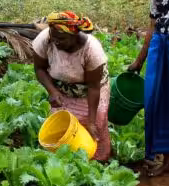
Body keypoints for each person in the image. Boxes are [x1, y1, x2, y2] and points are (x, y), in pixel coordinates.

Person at [32, 11, 111, 161]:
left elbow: (93, 87)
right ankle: (65, 163)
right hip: (62, 90)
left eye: (61, 38)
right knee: (62, 127)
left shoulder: (92, 50)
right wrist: (53, 91)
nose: (56, 41)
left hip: (92, 91)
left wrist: (92, 121)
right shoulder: (45, 40)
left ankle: (99, 162)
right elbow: (39, 69)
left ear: (74, 35)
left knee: (95, 128)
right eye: (53, 36)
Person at [129, 0, 169, 176]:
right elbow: (152, 26)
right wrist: (140, 60)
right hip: (160, 46)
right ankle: (163, 156)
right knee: (154, 100)